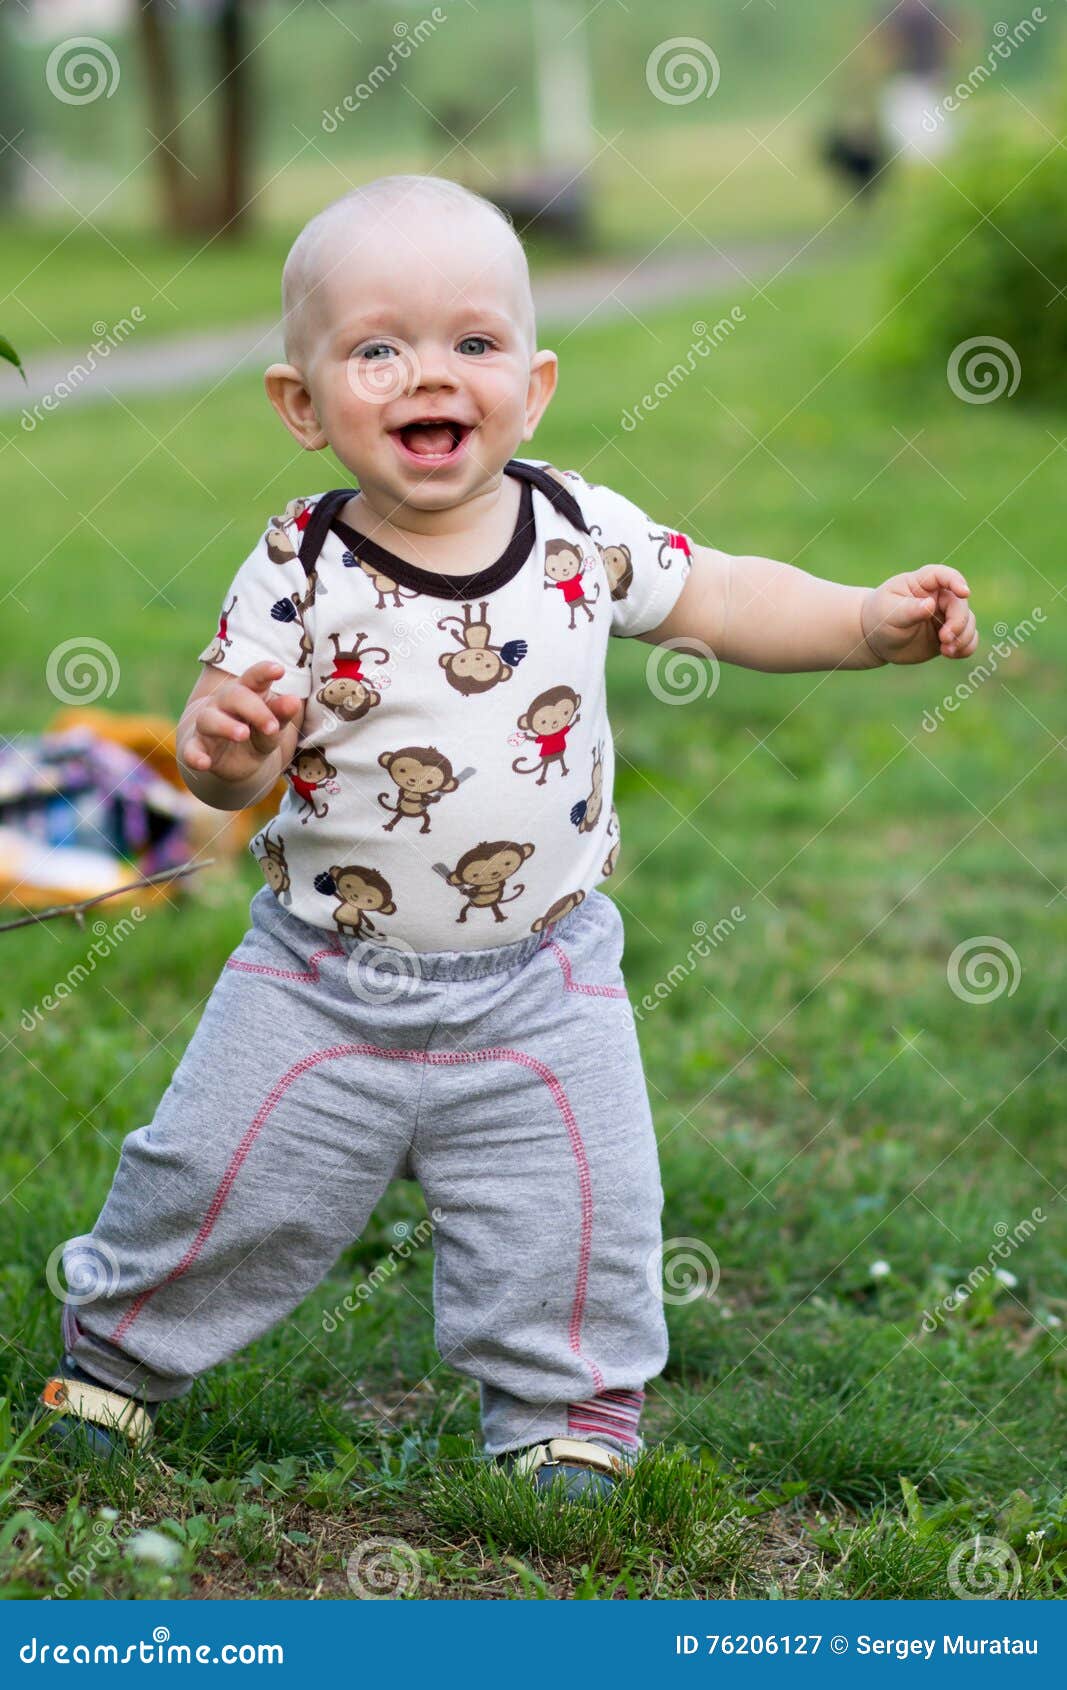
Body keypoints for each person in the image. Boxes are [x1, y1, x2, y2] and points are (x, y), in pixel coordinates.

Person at [39, 174, 978, 1503]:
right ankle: (113, 1361)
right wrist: (232, 738)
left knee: (578, 1200)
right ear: (302, 404)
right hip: (320, 977)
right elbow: (221, 753)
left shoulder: (579, 530)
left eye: (473, 344)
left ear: (531, 389)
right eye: (379, 348)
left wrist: (862, 622)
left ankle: (563, 1414)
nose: (433, 373)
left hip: (545, 978)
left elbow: (721, 593)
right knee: (219, 1173)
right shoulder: (299, 564)